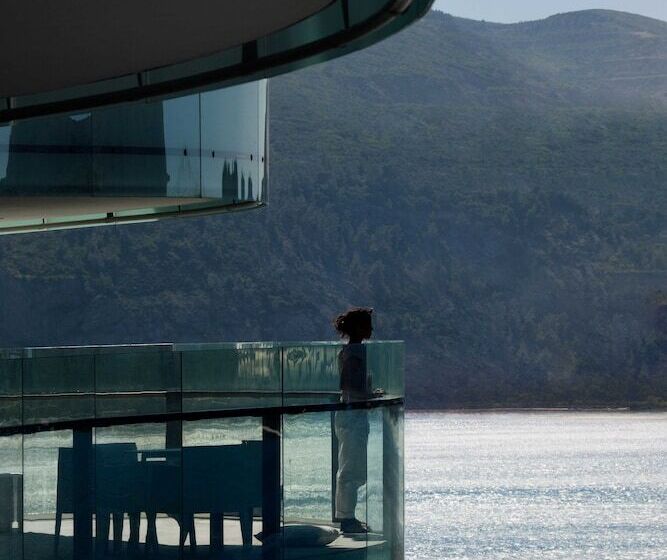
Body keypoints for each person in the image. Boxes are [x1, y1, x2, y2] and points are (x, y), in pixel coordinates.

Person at [333, 307, 382, 534]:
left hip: (352, 414)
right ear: (360, 328)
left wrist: (369, 394)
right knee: (351, 468)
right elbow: (348, 385)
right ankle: (346, 518)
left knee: (351, 466)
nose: (371, 329)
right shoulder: (353, 353)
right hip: (352, 415)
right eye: (368, 325)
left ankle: (347, 515)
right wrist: (369, 397)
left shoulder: (352, 351)